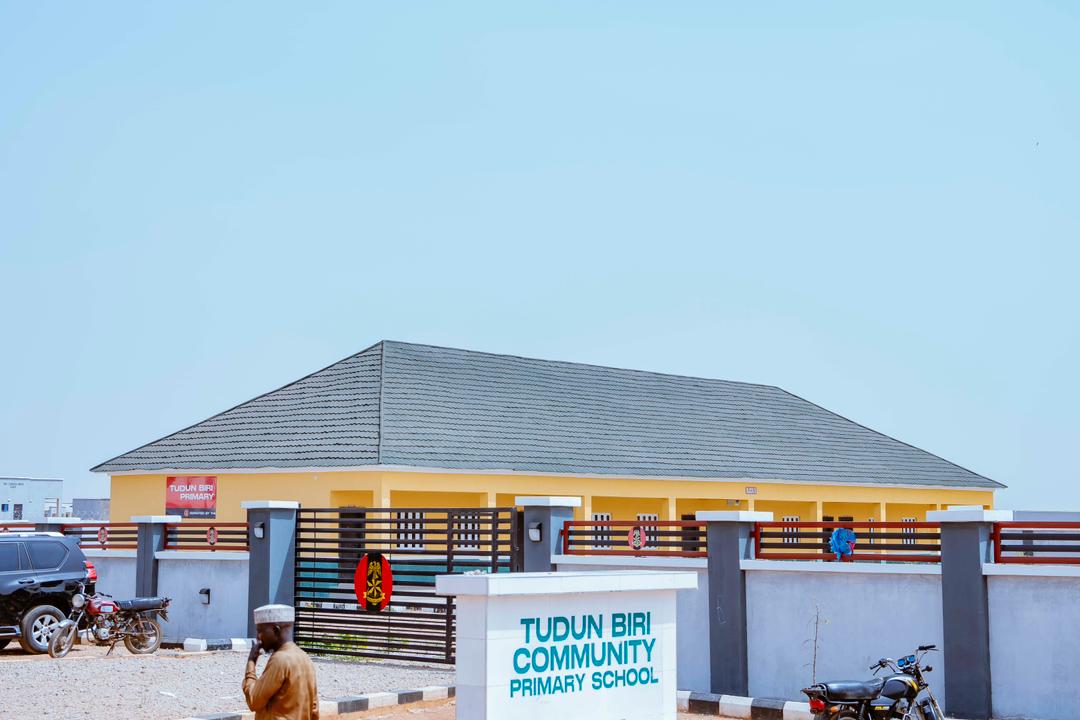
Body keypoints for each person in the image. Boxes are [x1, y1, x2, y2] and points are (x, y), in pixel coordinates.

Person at [243, 604, 320, 720]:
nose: (258, 637)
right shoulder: (305, 658)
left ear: (276, 630)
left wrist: (251, 662)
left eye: (260, 631)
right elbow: (314, 709)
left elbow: (254, 700)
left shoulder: (279, 660)